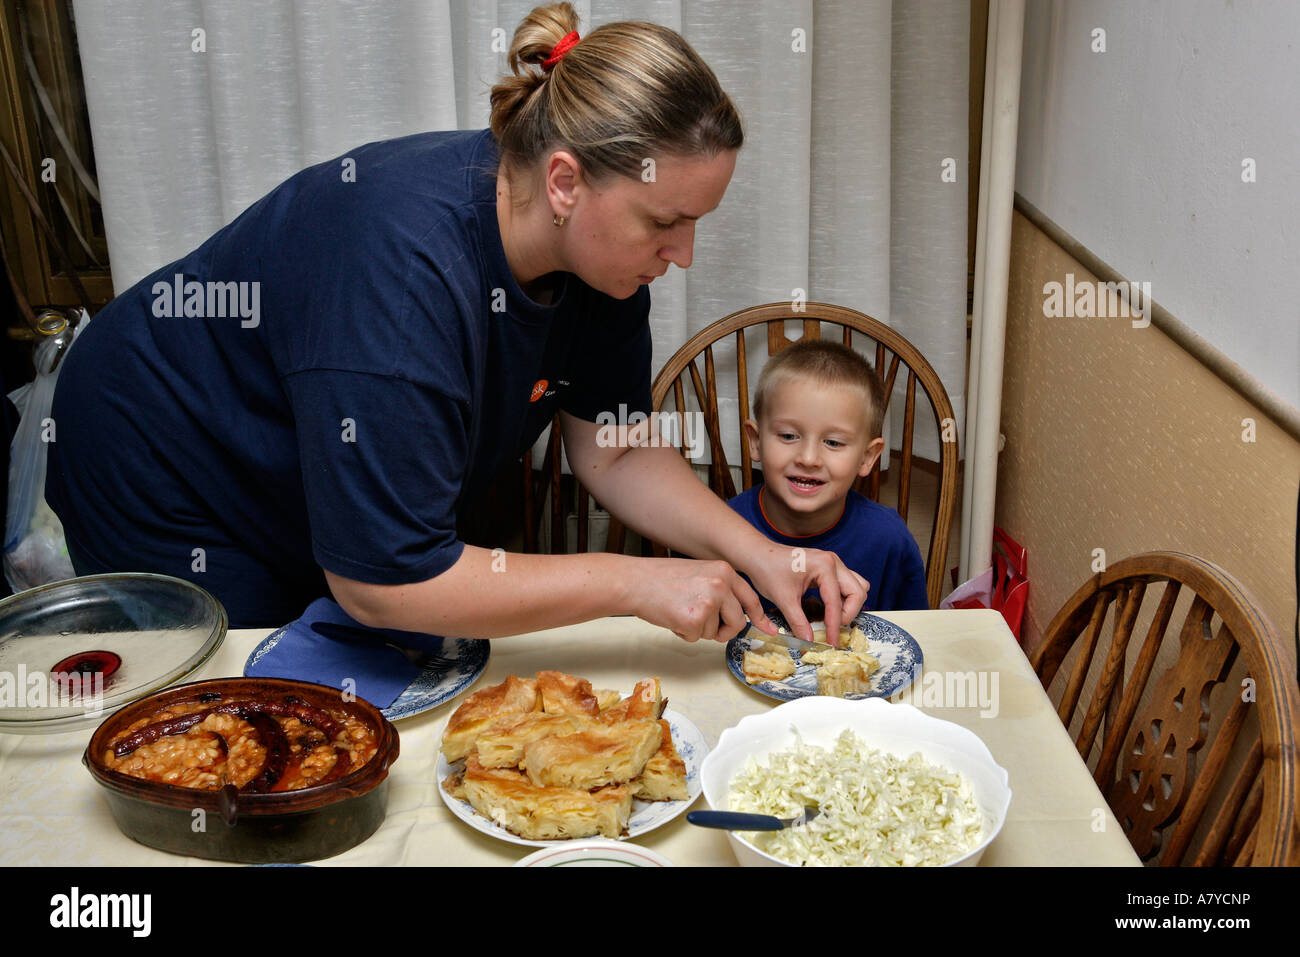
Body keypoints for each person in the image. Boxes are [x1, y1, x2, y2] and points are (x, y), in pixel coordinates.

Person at [46, 3, 867, 643]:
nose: (682, 253)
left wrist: (763, 555)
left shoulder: (606, 266)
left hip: (299, 466)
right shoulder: (401, 279)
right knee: (262, 717)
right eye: (663, 222)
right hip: (162, 457)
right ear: (564, 181)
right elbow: (380, 584)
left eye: (696, 223)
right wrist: (637, 583)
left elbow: (611, 445)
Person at [729, 339, 929, 614]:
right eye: (788, 436)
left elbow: (918, 636)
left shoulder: (890, 541)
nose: (808, 458)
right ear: (755, 441)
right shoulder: (720, 534)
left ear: (867, 457)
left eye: (833, 442)